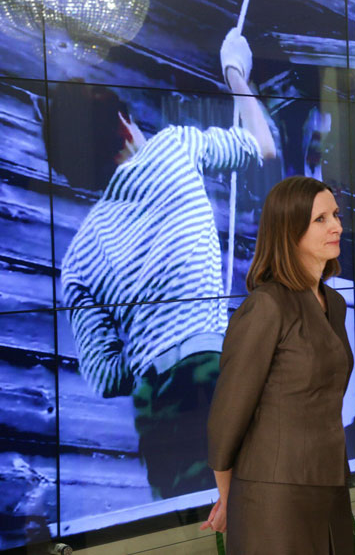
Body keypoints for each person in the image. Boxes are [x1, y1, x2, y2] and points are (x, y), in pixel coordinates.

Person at [48, 28, 276, 498]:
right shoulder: (172, 149)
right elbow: (261, 145)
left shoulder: (78, 259)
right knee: (249, 511)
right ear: (124, 123)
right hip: (212, 373)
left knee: (187, 524)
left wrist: (151, 355)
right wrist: (235, 70)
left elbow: (105, 375)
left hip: (155, 407)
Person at [203, 176, 354, 555]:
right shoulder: (266, 305)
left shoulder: (334, 303)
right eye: (320, 219)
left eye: (335, 215)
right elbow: (228, 416)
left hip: (331, 485)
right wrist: (230, 498)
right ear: (289, 230)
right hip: (274, 498)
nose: (336, 226)